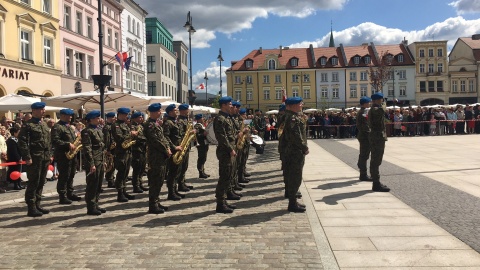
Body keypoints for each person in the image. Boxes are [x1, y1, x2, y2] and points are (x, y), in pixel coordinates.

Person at [18, 102, 52, 217]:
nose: (44, 111)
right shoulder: (27, 125)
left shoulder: (43, 124)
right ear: (34, 111)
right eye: (41, 109)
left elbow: (48, 141)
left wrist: (50, 155)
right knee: (33, 182)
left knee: (41, 181)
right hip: (34, 158)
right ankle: (31, 207)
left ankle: (37, 204)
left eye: (43, 109)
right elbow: (23, 143)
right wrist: (27, 157)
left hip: (44, 157)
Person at [143, 103, 171, 214]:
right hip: (155, 156)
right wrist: (166, 149)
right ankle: (153, 205)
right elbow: (155, 141)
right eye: (159, 111)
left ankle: (156, 201)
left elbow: (163, 138)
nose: (160, 113)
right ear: (153, 112)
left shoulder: (156, 124)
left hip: (161, 156)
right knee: (155, 181)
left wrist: (168, 147)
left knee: (159, 180)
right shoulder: (149, 125)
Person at [281, 97, 308, 213]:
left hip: (292, 151)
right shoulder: (293, 118)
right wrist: (304, 147)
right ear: (292, 105)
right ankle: (292, 204)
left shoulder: (292, 116)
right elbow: (296, 136)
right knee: (295, 177)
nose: (301, 105)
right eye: (299, 103)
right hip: (294, 151)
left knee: (294, 176)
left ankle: (293, 202)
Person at [51, 108, 81, 204]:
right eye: (69, 116)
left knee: (71, 174)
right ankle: (62, 196)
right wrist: (67, 144)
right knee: (64, 176)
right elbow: (55, 141)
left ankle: (70, 193)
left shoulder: (69, 126)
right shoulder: (57, 127)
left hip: (72, 154)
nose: (71, 117)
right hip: (63, 155)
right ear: (63, 116)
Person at [213, 96, 237, 213]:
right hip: (225, 151)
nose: (231, 106)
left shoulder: (226, 118)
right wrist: (230, 149)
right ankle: (220, 203)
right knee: (224, 177)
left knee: (228, 176)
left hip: (229, 150)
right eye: (229, 104)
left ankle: (224, 201)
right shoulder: (220, 119)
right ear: (223, 105)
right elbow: (222, 137)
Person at [81, 110, 106, 215]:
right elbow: (87, 148)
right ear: (91, 119)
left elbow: (101, 147)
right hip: (93, 161)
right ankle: (90, 207)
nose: (99, 119)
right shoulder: (87, 131)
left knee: (99, 184)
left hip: (100, 160)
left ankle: (95, 204)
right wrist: (91, 164)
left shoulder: (98, 130)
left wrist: (104, 160)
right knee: (92, 184)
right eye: (97, 118)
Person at [112, 107, 137, 202]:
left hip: (127, 151)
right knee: (121, 173)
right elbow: (120, 137)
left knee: (126, 172)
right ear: (121, 115)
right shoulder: (116, 125)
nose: (127, 116)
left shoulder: (125, 125)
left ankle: (124, 190)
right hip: (121, 152)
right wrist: (131, 134)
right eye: (126, 115)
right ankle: (120, 193)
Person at [368, 93, 390, 192]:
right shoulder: (376, 109)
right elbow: (382, 111)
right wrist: (384, 105)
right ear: (377, 100)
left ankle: (375, 181)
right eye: (381, 100)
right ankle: (376, 183)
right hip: (377, 137)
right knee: (376, 160)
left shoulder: (374, 109)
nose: (382, 101)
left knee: (375, 160)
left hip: (377, 137)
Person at [162, 104, 184, 201]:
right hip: (174, 150)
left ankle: (174, 190)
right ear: (170, 112)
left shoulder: (176, 122)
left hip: (178, 149)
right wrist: (174, 147)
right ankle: (171, 192)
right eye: (175, 110)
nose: (177, 112)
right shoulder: (168, 123)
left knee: (177, 171)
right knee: (172, 172)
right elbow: (165, 137)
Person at [176, 104, 195, 192]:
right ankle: (180, 184)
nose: (188, 111)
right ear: (183, 110)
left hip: (186, 145)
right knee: (181, 166)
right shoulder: (180, 120)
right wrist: (190, 133)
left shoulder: (186, 119)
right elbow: (180, 134)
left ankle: (182, 182)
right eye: (187, 110)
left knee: (185, 166)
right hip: (182, 144)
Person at [130, 111, 148, 193]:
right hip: (136, 150)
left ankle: (140, 184)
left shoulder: (141, 126)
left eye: (142, 117)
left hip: (143, 149)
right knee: (137, 169)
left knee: (142, 168)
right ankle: (136, 186)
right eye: (139, 117)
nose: (141, 118)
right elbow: (136, 137)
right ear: (135, 118)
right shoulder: (132, 126)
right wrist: (145, 139)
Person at [356, 96, 373, 182]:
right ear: (365, 103)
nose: (370, 104)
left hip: (364, 136)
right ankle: (363, 174)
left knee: (364, 155)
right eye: (368, 102)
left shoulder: (364, 111)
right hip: (364, 137)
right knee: (364, 155)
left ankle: (362, 171)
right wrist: (370, 133)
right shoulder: (362, 112)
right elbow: (364, 126)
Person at [193, 114, 210, 179]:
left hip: (204, 144)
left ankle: (202, 171)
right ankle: (200, 172)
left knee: (204, 158)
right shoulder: (197, 126)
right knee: (201, 158)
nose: (203, 119)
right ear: (199, 119)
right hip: (201, 144)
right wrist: (203, 134)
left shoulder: (201, 125)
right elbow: (197, 135)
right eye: (202, 118)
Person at [103, 112, 116, 188]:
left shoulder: (113, 126)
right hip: (110, 148)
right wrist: (108, 148)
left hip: (114, 147)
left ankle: (111, 179)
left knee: (113, 164)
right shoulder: (107, 127)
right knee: (110, 164)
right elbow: (107, 139)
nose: (114, 118)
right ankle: (110, 180)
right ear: (109, 118)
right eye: (113, 117)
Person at [6, 126, 22, 190]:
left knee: (19, 172)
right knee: (14, 172)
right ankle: (15, 185)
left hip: (19, 158)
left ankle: (19, 184)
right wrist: (18, 158)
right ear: (14, 133)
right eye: (18, 132)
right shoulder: (11, 141)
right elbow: (14, 151)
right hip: (14, 159)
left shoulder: (17, 140)